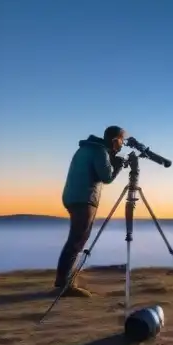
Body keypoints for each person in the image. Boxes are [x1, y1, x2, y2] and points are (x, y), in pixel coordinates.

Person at [54, 125, 127, 296]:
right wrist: (117, 165)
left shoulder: (88, 149)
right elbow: (106, 177)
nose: (122, 144)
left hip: (74, 196)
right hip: (84, 198)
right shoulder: (100, 151)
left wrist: (112, 158)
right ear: (115, 140)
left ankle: (63, 281)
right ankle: (65, 285)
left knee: (76, 239)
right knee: (77, 240)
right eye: (122, 140)